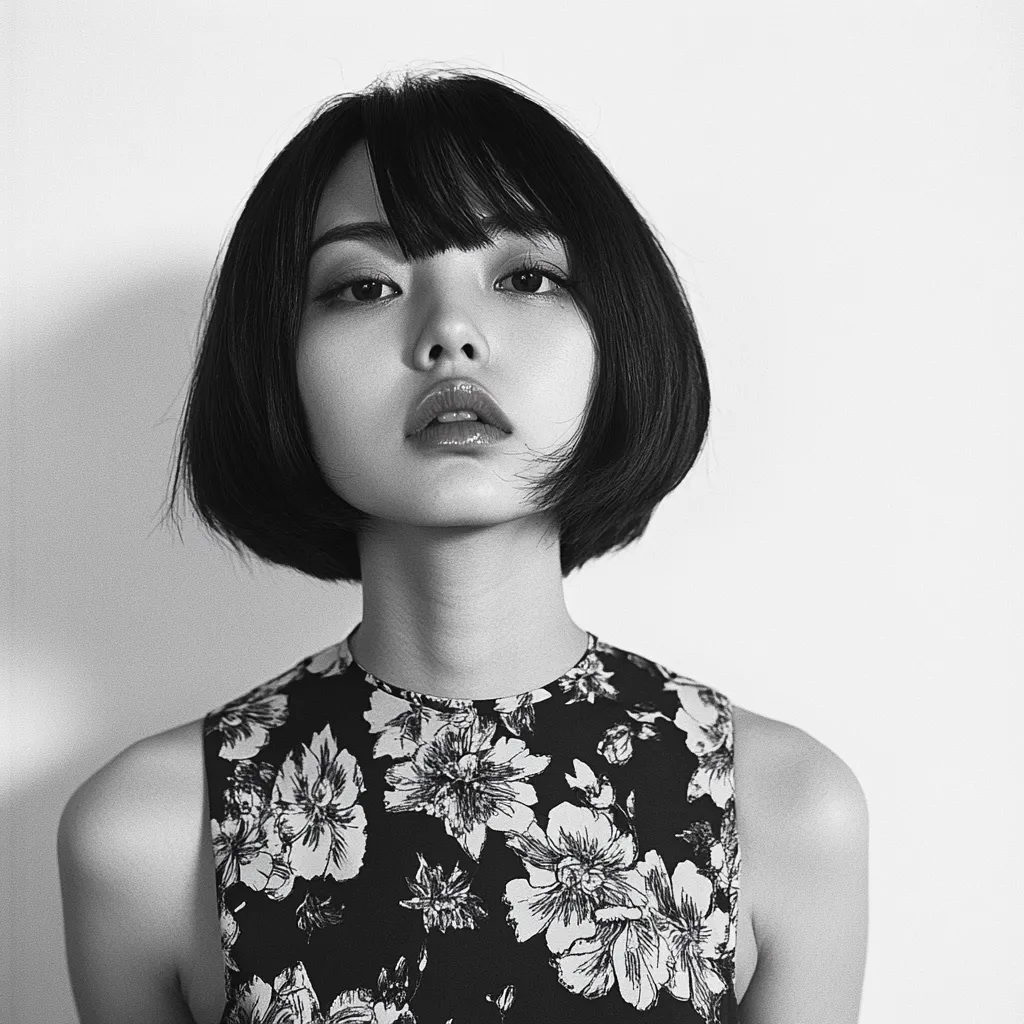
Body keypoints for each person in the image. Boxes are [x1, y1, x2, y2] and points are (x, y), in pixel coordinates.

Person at [57, 70, 869, 1024]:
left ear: (619, 336)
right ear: (277, 363)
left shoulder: (787, 812)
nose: (450, 334)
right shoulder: (146, 838)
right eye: (365, 286)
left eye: (526, 277)